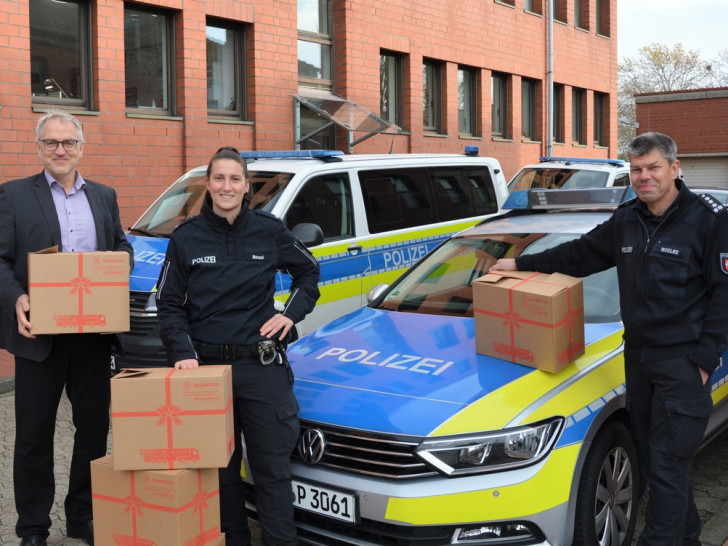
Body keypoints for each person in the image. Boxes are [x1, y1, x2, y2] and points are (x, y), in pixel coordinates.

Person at [490, 132, 728, 545]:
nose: (644, 177)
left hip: (683, 365)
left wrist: (706, 359)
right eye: (636, 169)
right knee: (657, 464)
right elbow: (578, 255)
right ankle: (687, 536)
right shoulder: (627, 219)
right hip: (637, 361)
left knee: (668, 465)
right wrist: (518, 262)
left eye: (653, 167)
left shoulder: (709, 220)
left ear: (675, 168)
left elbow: (725, 294)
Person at [155, 146, 320, 546]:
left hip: (261, 368)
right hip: (208, 371)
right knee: (220, 472)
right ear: (208, 185)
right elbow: (168, 302)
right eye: (219, 178)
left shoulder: (269, 229)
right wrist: (182, 354)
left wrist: (289, 315)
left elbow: (309, 273)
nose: (226, 186)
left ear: (247, 187)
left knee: (271, 470)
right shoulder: (186, 237)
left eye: (234, 179)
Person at [0, 111, 134, 546]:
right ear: (39, 148)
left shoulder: (104, 195)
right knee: (33, 436)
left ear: (81, 147)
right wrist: (17, 297)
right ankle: (33, 527)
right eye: (51, 143)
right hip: (40, 338)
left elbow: (119, 245)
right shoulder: (13, 196)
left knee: (93, 430)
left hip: (93, 337)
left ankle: (82, 515)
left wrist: (117, 268)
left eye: (68, 143)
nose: (60, 150)